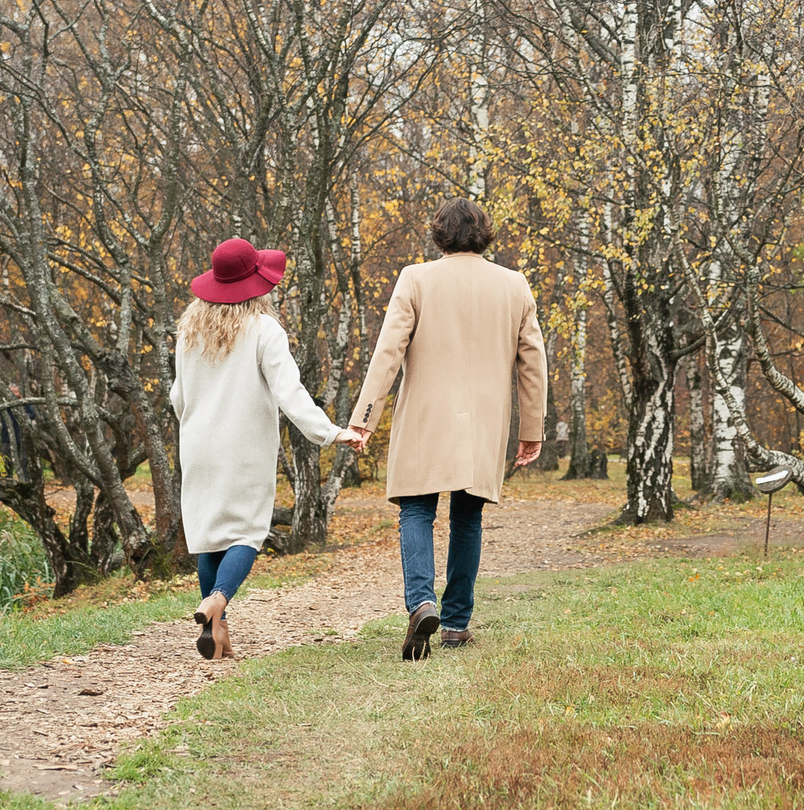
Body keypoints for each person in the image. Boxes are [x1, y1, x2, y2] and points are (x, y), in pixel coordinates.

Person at [343, 197, 546, 660]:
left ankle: (422, 603)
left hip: (425, 417)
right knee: (467, 519)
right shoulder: (514, 285)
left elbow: (388, 351)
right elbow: (532, 361)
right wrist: (531, 428)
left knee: (416, 511)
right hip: (485, 421)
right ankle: (455, 624)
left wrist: (364, 419)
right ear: (484, 234)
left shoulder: (416, 278)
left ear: (439, 234)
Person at [171, 236, 362, 660]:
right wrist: (332, 433)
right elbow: (290, 394)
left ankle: (217, 631)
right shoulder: (264, 329)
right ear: (256, 283)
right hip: (243, 447)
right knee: (247, 533)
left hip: (197, 444)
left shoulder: (189, 331)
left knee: (210, 536)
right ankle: (217, 599)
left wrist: (195, 424)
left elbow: (178, 396)